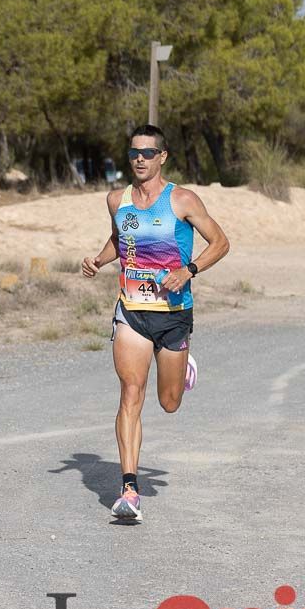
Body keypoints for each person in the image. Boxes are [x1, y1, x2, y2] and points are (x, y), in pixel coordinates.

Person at [81, 124, 230, 521]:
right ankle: (129, 489)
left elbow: (221, 242)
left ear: (163, 157)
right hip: (130, 310)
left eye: (148, 153)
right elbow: (120, 239)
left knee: (169, 402)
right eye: (134, 153)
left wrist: (189, 269)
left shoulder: (181, 199)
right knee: (131, 393)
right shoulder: (117, 200)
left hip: (173, 314)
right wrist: (98, 259)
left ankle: (183, 364)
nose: (140, 160)